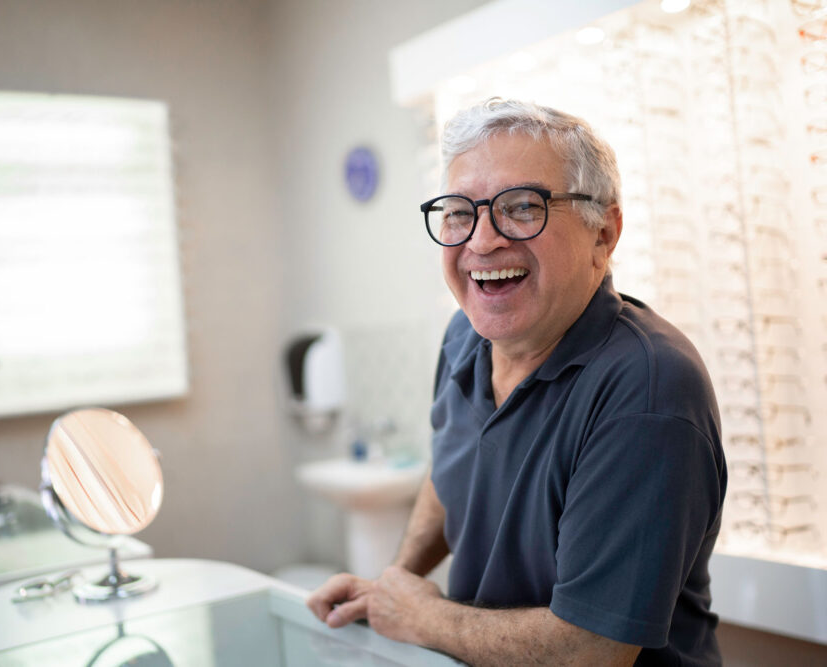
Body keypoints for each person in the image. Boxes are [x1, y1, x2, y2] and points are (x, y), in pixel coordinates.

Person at [307, 98, 726, 666]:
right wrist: (395, 582)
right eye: (459, 212)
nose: (481, 241)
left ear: (603, 234)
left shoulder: (647, 391)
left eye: (522, 207)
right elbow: (452, 467)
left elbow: (592, 650)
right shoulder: (466, 336)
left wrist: (422, 616)